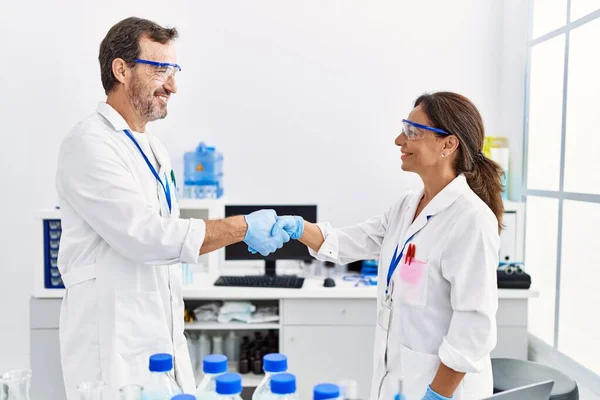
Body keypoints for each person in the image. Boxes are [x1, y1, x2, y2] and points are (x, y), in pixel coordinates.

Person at [55, 17, 288, 400]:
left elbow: (165, 239)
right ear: (121, 69)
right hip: (111, 353)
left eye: (174, 70)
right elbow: (145, 236)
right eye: (161, 69)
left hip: (160, 344)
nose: (173, 85)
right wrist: (241, 228)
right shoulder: (89, 144)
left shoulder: (153, 149)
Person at [274, 92, 504, 400]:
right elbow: (350, 242)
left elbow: (473, 326)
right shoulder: (408, 206)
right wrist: (299, 228)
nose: (399, 140)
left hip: (444, 391)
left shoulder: (471, 219)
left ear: (448, 144)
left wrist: (437, 396)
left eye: (412, 132)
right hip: (399, 380)